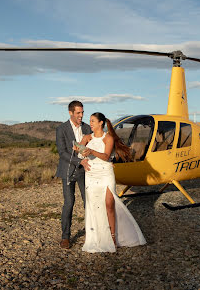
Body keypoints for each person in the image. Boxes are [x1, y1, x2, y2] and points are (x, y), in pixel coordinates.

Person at [75, 112, 146, 253]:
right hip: (92, 174)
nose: (91, 123)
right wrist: (80, 152)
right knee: (94, 206)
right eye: (90, 121)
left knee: (109, 204)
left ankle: (113, 237)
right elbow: (78, 152)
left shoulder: (108, 138)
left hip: (105, 173)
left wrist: (91, 151)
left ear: (101, 123)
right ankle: (97, 236)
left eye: (93, 121)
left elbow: (106, 156)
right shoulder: (86, 137)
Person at [55, 100, 92, 249]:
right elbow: (62, 152)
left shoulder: (88, 128)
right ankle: (65, 237)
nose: (81, 115)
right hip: (68, 170)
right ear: (70, 112)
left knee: (88, 203)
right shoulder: (61, 129)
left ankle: (92, 233)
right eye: (78, 113)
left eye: (82, 112)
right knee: (69, 203)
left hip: (85, 171)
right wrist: (79, 161)